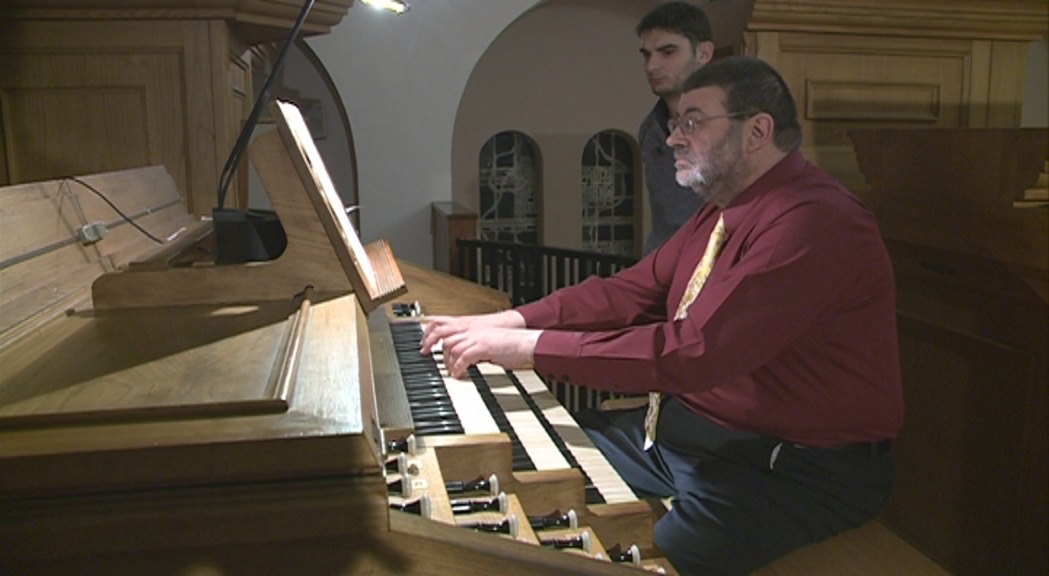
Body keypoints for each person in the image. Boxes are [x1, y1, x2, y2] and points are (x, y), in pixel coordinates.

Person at [420, 56, 903, 575]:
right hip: (684, 437)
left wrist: (531, 350)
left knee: (631, 560)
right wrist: (510, 322)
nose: (674, 138)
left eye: (692, 123)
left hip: (790, 469)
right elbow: (632, 292)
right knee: (529, 460)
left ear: (757, 130)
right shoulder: (722, 209)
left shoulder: (814, 222)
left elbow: (694, 351)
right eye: (676, 124)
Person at [637, 2, 715, 254]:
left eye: (667, 52)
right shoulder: (651, 129)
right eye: (647, 55)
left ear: (703, 53)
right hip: (663, 267)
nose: (652, 66)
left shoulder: (731, 125)